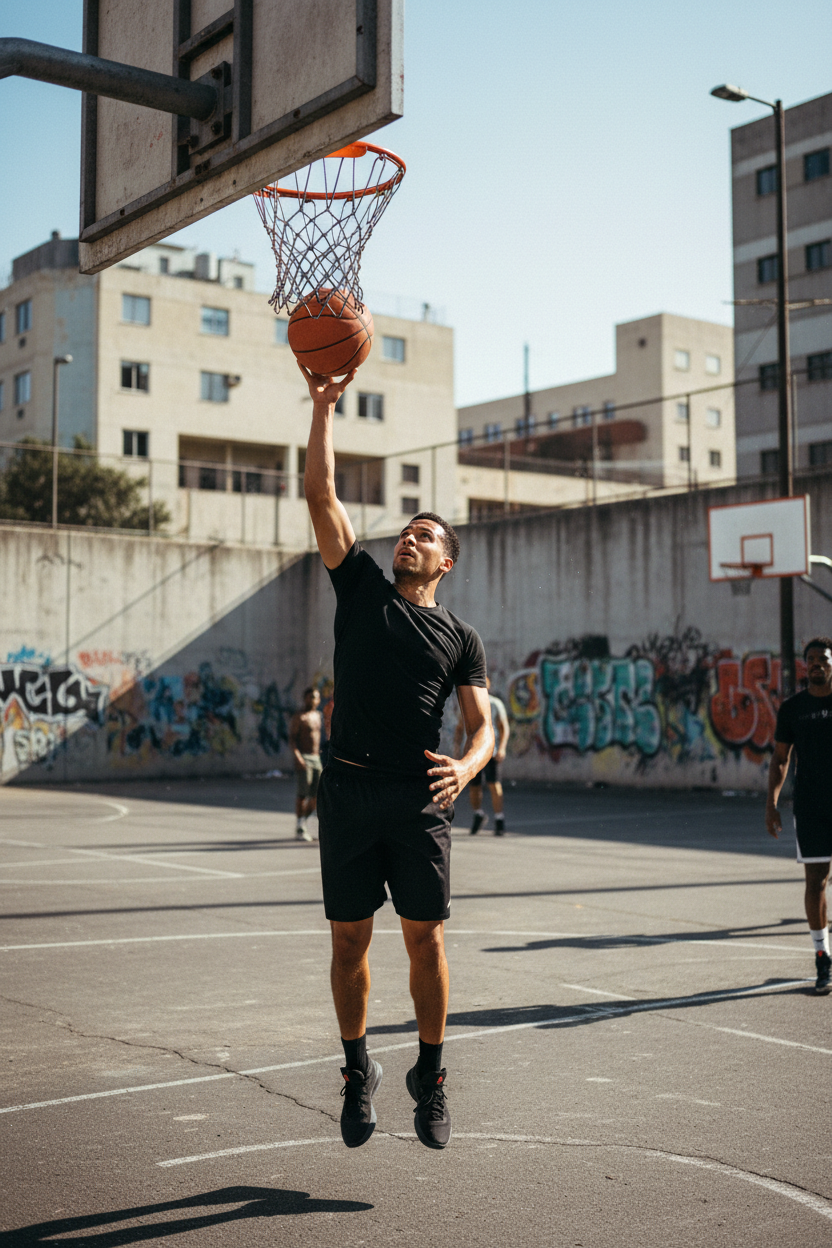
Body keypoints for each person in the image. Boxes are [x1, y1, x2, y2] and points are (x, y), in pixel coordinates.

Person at [299, 360, 493, 1150]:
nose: (409, 538)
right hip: (347, 792)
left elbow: (486, 726)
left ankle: (431, 1075)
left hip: (418, 801)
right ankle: (357, 1070)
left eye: (426, 536)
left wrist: (470, 767)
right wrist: (322, 409)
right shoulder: (361, 588)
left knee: (427, 939)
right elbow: (321, 495)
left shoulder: (461, 638)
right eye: (406, 531)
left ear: (445, 562)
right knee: (350, 941)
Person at [766, 636, 832, 995]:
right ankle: (823, 957)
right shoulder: (793, 709)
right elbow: (780, 759)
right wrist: (770, 804)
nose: (817, 663)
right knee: (816, 881)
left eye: (823, 657)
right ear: (805, 665)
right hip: (810, 806)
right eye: (812, 659)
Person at [454, 676, 510, 835]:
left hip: (490, 750)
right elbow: (459, 728)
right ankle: (478, 814)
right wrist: (457, 747)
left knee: (494, 784)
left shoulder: (495, 703)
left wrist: (502, 748)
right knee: (474, 786)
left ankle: (499, 819)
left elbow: (504, 727)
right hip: (473, 753)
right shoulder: (466, 702)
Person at [288, 687, 323, 841]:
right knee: (303, 794)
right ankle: (300, 826)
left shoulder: (318, 716)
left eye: (315, 697)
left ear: (318, 699)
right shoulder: (299, 717)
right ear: (305, 698)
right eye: (309, 697)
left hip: (317, 759)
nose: (312, 700)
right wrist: (299, 758)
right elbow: (292, 740)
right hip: (304, 758)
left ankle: (303, 822)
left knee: (317, 796)